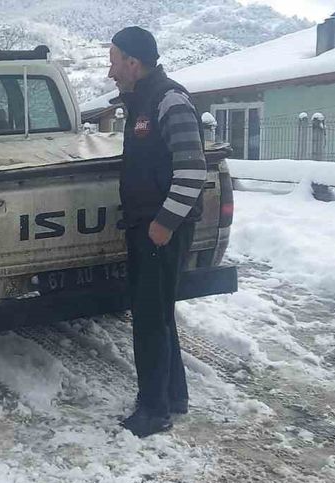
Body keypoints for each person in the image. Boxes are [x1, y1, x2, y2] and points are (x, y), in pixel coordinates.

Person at [107, 26, 207, 437]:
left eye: (114, 61)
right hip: (148, 226)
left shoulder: (169, 100)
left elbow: (193, 169)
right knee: (159, 315)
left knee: (149, 319)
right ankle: (173, 396)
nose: (110, 72)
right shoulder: (140, 102)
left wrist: (163, 225)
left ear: (133, 62)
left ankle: (153, 411)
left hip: (160, 230)